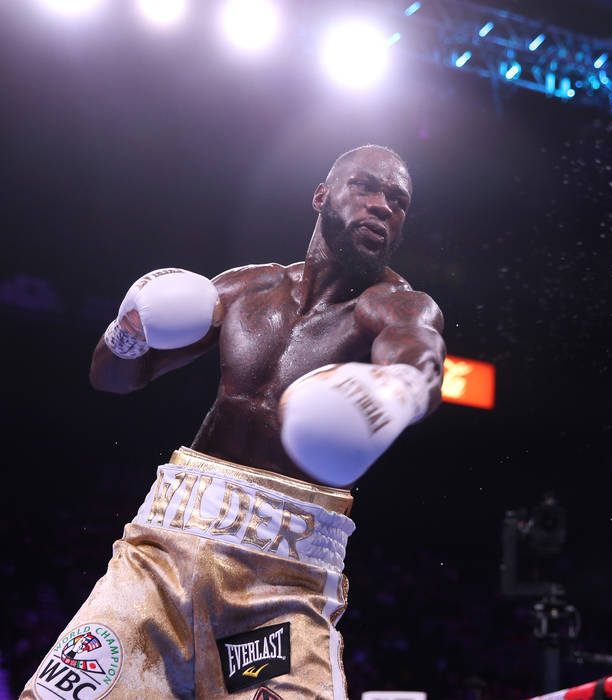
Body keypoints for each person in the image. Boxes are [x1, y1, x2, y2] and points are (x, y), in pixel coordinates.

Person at [21, 145, 446, 700]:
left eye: (398, 200)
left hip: (276, 593)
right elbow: (115, 377)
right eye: (366, 187)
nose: (383, 206)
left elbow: (420, 351)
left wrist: (402, 387)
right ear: (321, 196)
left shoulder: (398, 306)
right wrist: (129, 325)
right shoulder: (246, 289)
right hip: (163, 559)